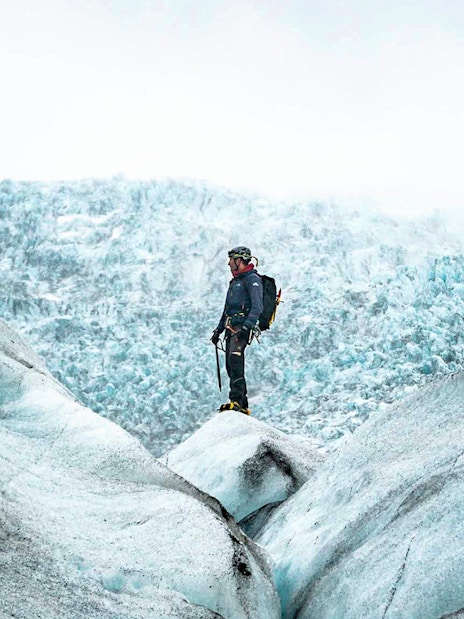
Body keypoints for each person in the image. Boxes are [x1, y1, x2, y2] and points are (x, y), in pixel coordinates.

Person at [211, 246, 263, 414]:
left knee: (235, 361)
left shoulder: (251, 280)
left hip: (241, 327)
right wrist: (218, 331)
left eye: (231, 260)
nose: (228, 263)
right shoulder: (236, 282)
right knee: (230, 364)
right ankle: (241, 403)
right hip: (230, 327)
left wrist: (247, 327)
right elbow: (227, 309)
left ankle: (237, 401)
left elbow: (257, 307)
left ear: (239, 260)